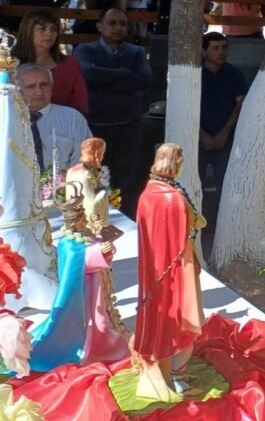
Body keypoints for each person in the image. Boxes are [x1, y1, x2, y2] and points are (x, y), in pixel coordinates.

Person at [28, 178, 128, 370]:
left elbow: (91, 245)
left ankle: (106, 335)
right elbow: (77, 263)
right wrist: (100, 252)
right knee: (94, 318)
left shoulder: (84, 234)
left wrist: (100, 239)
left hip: (95, 285)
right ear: (74, 221)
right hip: (84, 292)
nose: (85, 220)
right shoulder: (67, 242)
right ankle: (97, 342)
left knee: (101, 313)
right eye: (81, 217)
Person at [134, 143, 205, 402]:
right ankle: (177, 377)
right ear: (176, 162)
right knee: (187, 319)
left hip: (154, 273)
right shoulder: (172, 197)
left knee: (163, 321)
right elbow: (191, 226)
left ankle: (174, 373)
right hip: (178, 269)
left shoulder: (147, 193)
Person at [74, 8, 152, 217]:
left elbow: (144, 79)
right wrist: (124, 75)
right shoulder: (84, 50)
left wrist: (105, 81)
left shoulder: (135, 52)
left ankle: (124, 218)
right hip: (97, 124)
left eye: (122, 24)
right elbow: (88, 75)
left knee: (126, 177)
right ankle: (95, 217)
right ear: (100, 26)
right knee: (94, 176)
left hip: (129, 125)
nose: (118, 28)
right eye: (112, 23)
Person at [198, 33, 247, 219]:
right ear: (204, 51)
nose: (221, 52)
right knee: (195, 185)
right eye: (215, 48)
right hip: (198, 140)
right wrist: (202, 134)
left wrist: (225, 132)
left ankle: (222, 223)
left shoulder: (234, 74)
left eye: (224, 47)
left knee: (226, 185)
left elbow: (240, 103)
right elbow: (186, 105)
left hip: (226, 140)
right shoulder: (195, 73)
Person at [15, 63, 92, 172]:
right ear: (17, 91)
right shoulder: (7, 119)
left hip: (63, 186)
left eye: (44, 85)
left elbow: (85, 160)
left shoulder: (72, 118)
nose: (39, 92)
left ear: (52, 87)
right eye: (31, 86)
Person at [12, 9, 89, 116]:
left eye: (53, 29)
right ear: (28, 31)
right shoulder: (9, 63)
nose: (49, 33)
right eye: (42, 29)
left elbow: (80, 104)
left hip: (61, 126)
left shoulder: (69, 64)